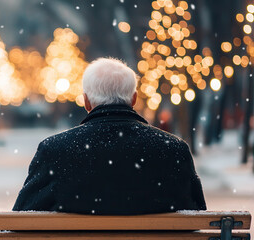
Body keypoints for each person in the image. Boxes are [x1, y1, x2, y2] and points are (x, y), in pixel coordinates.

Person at [13, 58, 206, 215]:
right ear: (133, 99)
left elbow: (23, 218)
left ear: (86, 102)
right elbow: (195, 212)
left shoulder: (55, 150)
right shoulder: (173, 149)